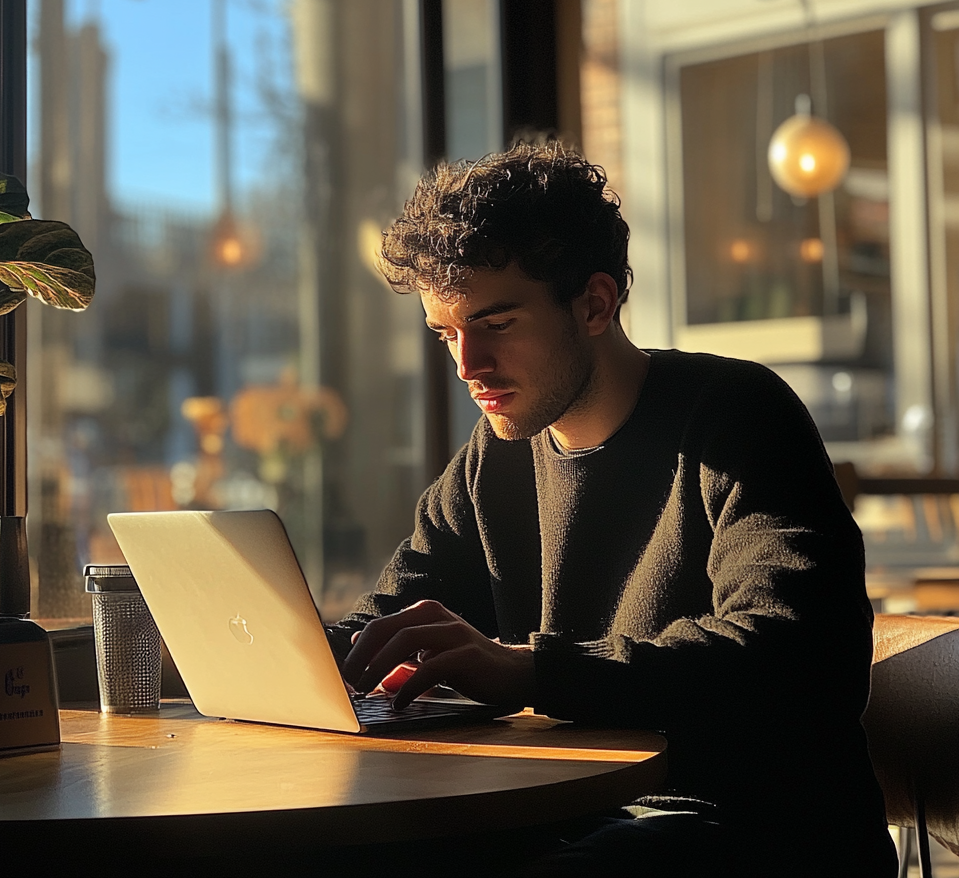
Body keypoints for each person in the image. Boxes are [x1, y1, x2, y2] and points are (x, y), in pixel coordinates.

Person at [326, 143, 898, 877]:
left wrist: (531, 672)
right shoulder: (494, 456)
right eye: (447, 335)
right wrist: (258, 651)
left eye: (496, 324)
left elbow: (797, 656)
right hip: (563, 814)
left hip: (745, 829)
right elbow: (393, 623)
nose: (467, 366)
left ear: (594, 303)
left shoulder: (737, 415)